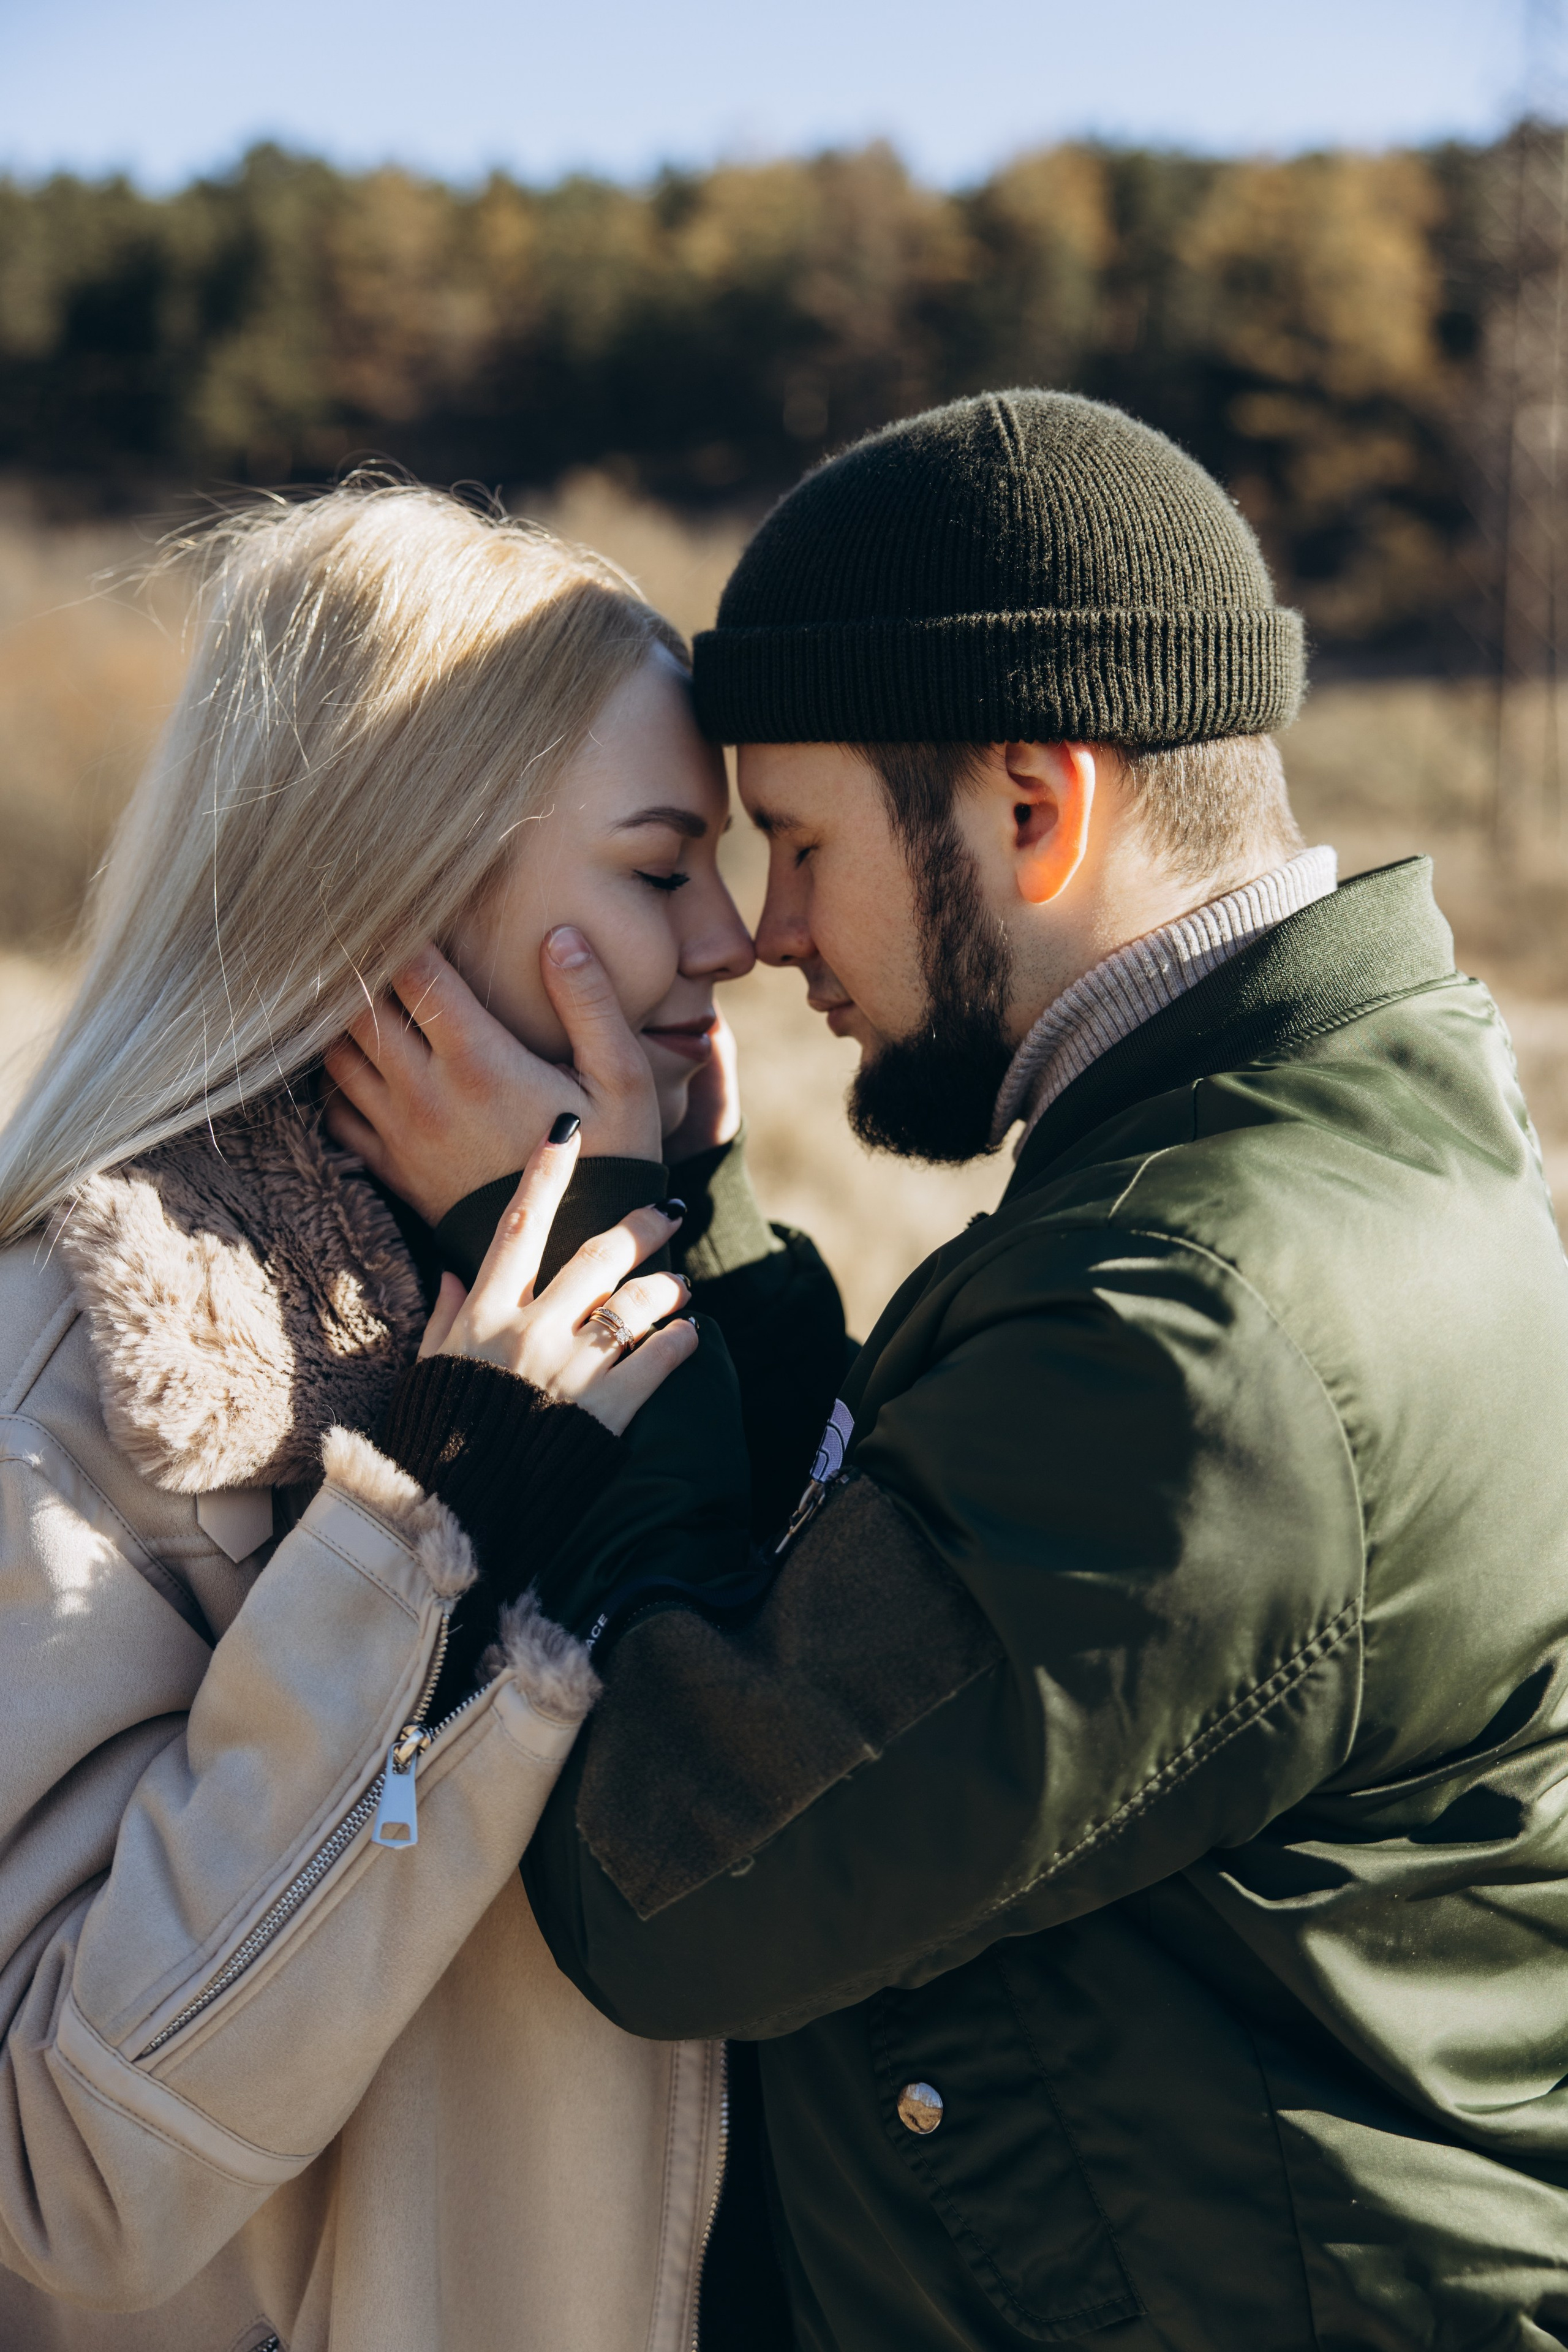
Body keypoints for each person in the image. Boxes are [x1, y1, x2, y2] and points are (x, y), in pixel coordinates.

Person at [352, 394, 1568, 2351]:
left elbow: (675, 1874)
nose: (762, 932)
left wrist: (571, 1262)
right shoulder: (1308, 1157)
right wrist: (697, 1236)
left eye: (805, 842)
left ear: (1032, 806)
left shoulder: (1203, 1332)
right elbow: (921, 1562)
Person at [0, 478, 802, 2350]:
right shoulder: (93, 1371)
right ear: (404, 893)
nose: (737, 941)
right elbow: (62, 2171)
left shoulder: (654, 1287)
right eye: (663, 866)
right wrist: (430, 1528)